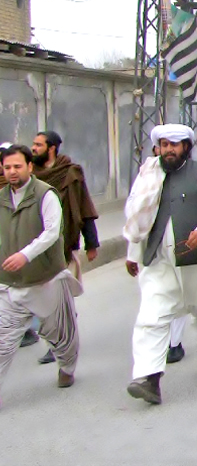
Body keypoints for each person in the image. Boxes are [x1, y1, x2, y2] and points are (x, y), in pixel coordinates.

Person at [124, 125, 197, 405]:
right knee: (151, 317)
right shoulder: (147, 175)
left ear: (186, 147)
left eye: (175, 144)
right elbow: (137, 215)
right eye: (164, 144)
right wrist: (133, 252)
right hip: (158, 259)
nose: (169, 149)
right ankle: (150, 378)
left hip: (195, 259)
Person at [0, 145, 82, 406]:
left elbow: (51, 232)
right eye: (7, 167)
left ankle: (67, 367)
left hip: (46, 279)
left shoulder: (45, 195)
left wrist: (25, 254)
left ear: (29, 167)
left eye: (17, 166)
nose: (12, 172)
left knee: (60, 333)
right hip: (12, 284)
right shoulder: (1, 198)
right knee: (3, 340)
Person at [29, 130, 98, 364]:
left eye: (38, 145)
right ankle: (59, 333)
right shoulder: (30, 176)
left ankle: (59, 345)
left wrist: (92, 243)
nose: (33, 148)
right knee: (43, 299)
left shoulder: (71, 173)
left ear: (52, 148)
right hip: (35, 247)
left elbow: (85, 206)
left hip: (65, 245)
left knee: (59, 297)